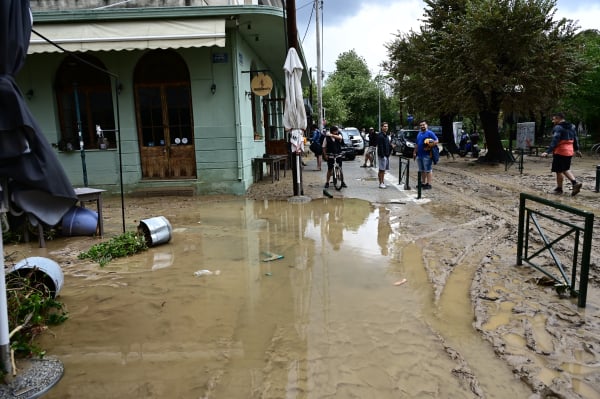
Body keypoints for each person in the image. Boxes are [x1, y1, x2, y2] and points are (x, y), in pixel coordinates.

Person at [541, 112, 583, 196]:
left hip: (560, 151)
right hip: (569, 151)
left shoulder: (558, 127)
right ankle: (560, 187)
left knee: (561, 170)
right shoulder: (572, 126)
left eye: (554, 119)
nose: (553, 121)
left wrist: (547, 151)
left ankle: (572, 184)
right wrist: (577, 149)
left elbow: (555, 140)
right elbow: (575, 138)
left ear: (558, 118)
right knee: (562, 169)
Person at [413, 120, 439, 189]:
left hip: (427, 155)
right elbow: (417, 144)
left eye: (423, 125)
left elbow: (436, 140)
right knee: (421, 170)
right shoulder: (419, 133)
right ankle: (423, 182)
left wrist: (430, 146)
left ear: (426, 125)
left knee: (428, 169)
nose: (422, 126)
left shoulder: (430, 133)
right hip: (419, 155)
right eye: (421, 125)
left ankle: (429, 184)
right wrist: (414, 152)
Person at [376, 122, 392, 189]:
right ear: (382, 127)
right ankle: (381, 183)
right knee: (382, 170)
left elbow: (387, 145)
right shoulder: (380, 136)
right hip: (383, 156)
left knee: (383, 170)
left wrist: (391, 147)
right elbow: (380, 146)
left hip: (386, 155)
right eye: (384, 126)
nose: (386, 127)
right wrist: (383, 156)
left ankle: (382, 182)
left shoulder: (386, 136)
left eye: (387, 126)